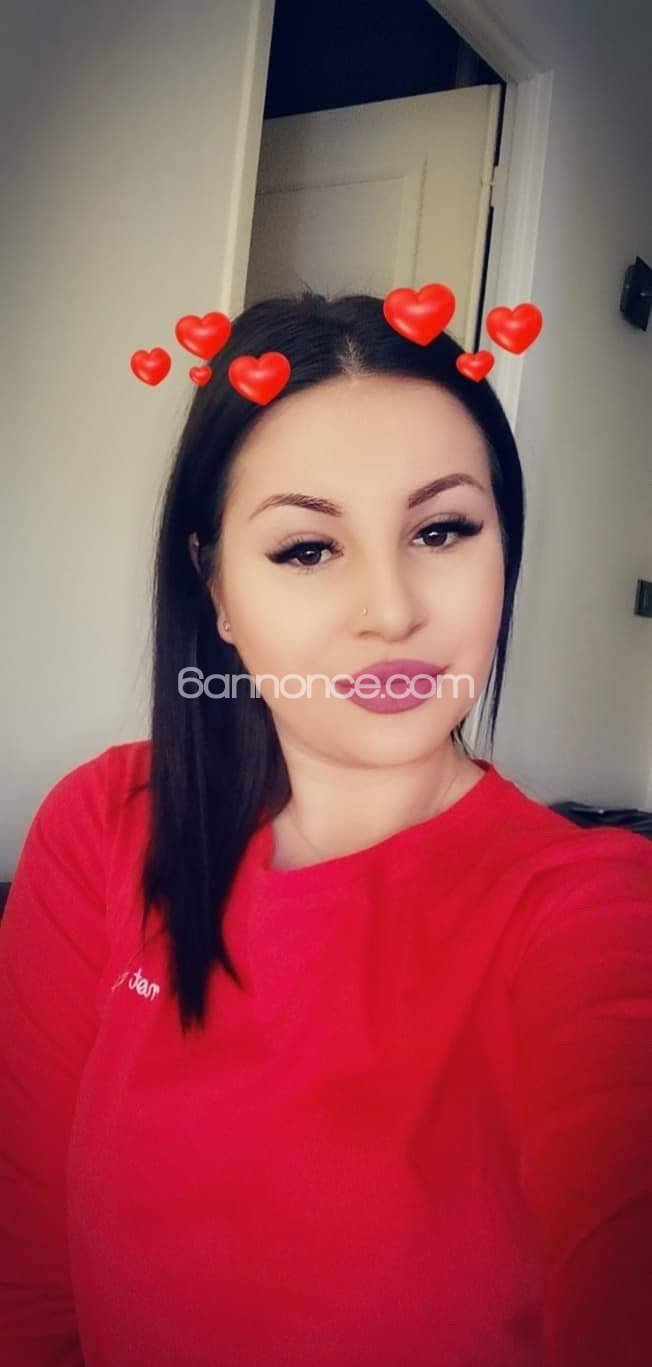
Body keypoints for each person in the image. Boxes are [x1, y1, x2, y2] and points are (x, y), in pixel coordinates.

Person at [1, 289, 651, 1367]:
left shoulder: (592, 910)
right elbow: (24, 1291)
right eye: (307, 548)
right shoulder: (107, 827)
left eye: (442, 529)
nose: (391, 610)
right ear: (215, 589)